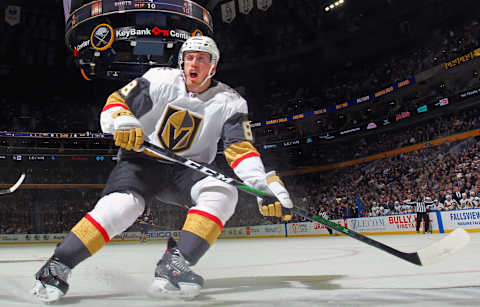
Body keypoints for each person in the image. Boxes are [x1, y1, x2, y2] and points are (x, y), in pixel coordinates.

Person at [31, 36, 294, 303]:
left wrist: (260, 184)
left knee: (224, 192)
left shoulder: (231, 101)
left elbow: (240, 149)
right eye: (190, 57)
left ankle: (175, 264)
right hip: (141, 161)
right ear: (182, 61)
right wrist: (123, 121)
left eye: (202, 59)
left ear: (213, 66)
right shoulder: (160, 79)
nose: (195, 63)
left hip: (189, 169)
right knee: (123, 207)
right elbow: (116, 102)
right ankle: (57, 265)